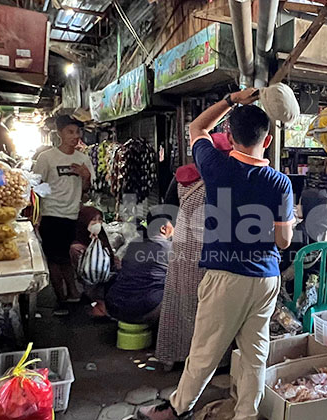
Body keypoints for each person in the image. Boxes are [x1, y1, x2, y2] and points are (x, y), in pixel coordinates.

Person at [138, 89, 294, 420]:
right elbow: (283, 242)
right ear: (266, 142)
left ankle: (177, 409)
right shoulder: (280, 183)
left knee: (205, 351)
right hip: (266, 278)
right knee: (255, 353)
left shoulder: (216, 167)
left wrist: (232, 99)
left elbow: (197, 128)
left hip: (226, 278)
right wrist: (287, 224)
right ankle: (245, 415)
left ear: (229, 136)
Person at [156, 133, 232, 369]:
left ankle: (174, 354)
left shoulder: (183, 176)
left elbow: (167, 210)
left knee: (179, 303)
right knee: (210, 307)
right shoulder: (225, 179)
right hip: (211, 249)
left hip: (182, 246)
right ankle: (210, 362)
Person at [32, 115, 94, 316]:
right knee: (54, 258)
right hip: (51, 214)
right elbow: (35, 185)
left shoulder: (83, 159)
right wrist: (37, 213)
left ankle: (72, 294)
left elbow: (87, 190)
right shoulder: (47, 158)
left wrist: (85, 177)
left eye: (77, 132)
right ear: (59, 133)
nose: (75, 136)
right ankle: (62, 298)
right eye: (70, 132)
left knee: (63, 257)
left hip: (71, 214)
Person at [105, 210, 175, 325]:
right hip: (143, 311)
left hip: (114, 306)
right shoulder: (169, 248)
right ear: (163, 228)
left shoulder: (134, 244)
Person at [70, 206, 116, 317]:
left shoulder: (102, 237)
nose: (97, 223)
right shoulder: (76, 247)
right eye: (93, 220)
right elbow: (88, 271)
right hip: (93, 285)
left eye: (100, 220)